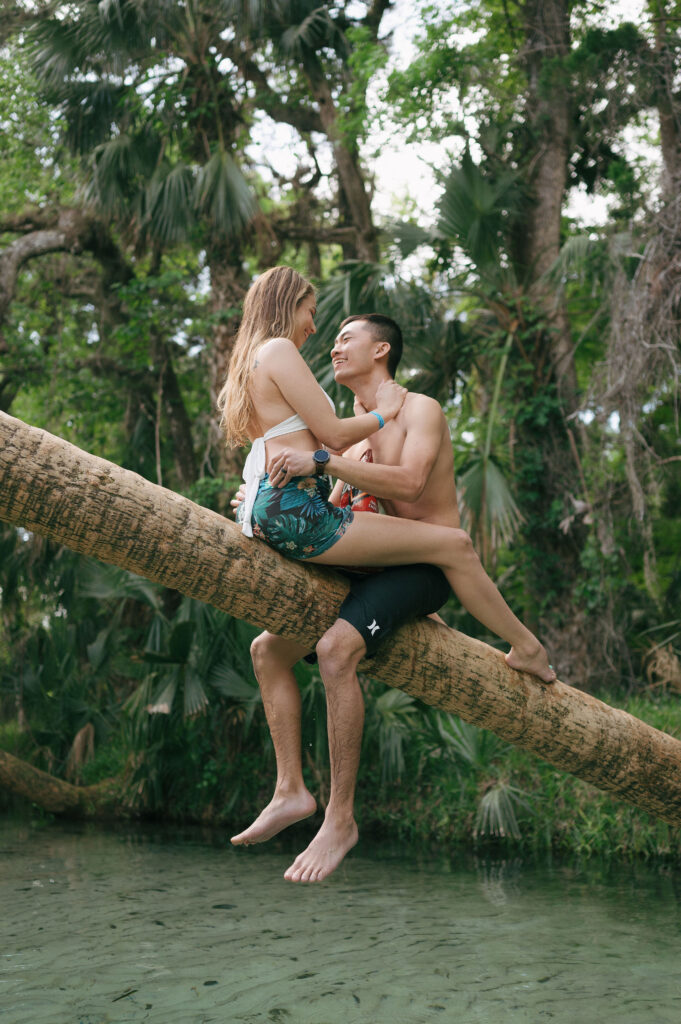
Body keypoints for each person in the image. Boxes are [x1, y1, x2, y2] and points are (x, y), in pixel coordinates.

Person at [217, 267, 555, 863]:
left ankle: (341, 818)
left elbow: (410, 480)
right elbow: (336, 506)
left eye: (345, 337)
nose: (330, 342)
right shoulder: (344, 441)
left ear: (382, 350)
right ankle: (288, 788)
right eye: (328, 332)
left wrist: (324, 463)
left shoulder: (418, 409)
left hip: (423, 567)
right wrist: (266, 494)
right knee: (267, 650)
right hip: (374, 565)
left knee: (339, 646)